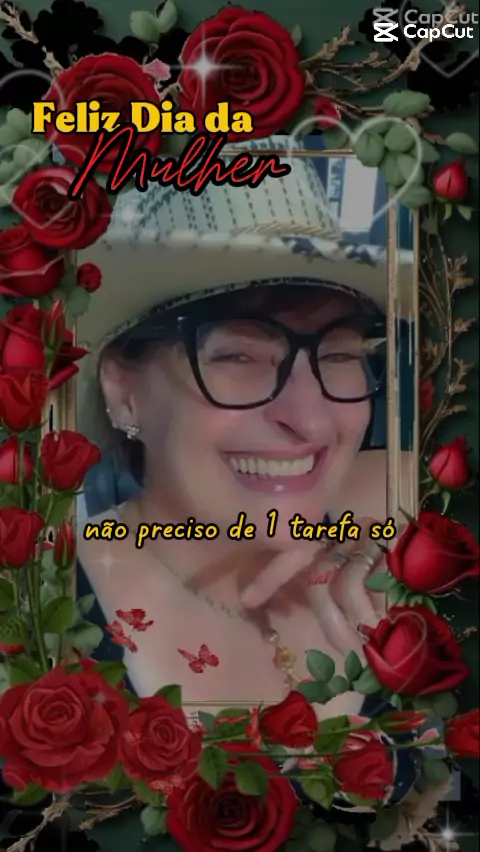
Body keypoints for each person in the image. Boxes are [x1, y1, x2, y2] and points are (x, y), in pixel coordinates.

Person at [76, 137, 417, 715]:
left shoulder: (397, 561)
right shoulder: (39, 605)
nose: (310, 419)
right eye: (238, 357)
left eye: (339, 354)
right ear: (123, 391)